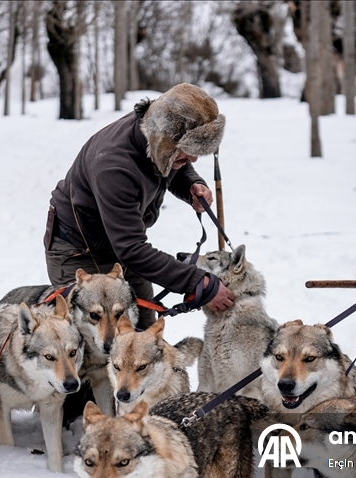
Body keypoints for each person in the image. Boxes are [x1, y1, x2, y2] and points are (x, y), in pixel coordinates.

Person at [43, 83, 236, 328]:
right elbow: (132, 249)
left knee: (144, 333)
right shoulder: (114, 167)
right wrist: (199, 281)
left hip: (122, 244)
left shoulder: (154, 134)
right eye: (186, 151)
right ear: (164, 140)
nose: (194, 158)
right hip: (80, 251)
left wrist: (191, 184)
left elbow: (172, 162)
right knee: (98, 348)